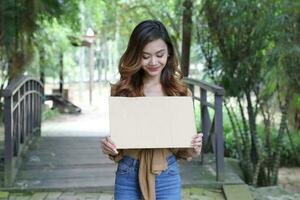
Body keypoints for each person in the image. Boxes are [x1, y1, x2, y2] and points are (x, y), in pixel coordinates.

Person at [100, 19, 202, 200]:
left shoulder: (179, 93)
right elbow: (119, 146)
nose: (153, 62)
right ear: (135, 55)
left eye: (160, 54)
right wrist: (109, 147)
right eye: (145, 56)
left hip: (167, 173)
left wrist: (193, 148)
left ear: (169, 53)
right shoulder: (122, 91)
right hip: (127, 172)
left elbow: (181, 150)